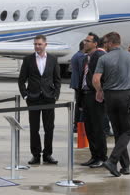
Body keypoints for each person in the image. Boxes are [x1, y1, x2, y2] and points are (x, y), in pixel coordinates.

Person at [93, 32, 130, 177]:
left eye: (105, 43)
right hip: (125, 96)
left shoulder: (104, 58)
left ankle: (125, 166)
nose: (105, 45)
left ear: (110, 42)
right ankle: (112, 160)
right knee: (128, 131)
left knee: (118, 131)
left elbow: (96, 79)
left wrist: (99, 91)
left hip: (110, 96)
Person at [18, 34, 61, 165]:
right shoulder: (28, 60)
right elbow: (21, 80)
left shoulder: (53, 59)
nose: (37, 46)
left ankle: (48, 154)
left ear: (45, 45)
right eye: (35, 44)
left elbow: (57, 80)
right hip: (33, 99)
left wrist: (55, 95)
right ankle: (36, 155)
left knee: (49, 128)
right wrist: (25, 95)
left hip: (48, 98)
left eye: (39, 44)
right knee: (34, 128)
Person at [79, 33, 108, 168]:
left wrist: (100, 91)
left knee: (98, 128)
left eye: (88, 41)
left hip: (95, 95)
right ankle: (94, 155)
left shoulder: (99, 56)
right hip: (86, 95)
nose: (85, 43)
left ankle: (102, 157)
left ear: (95, 43)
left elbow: (103, 76)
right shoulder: (87, 58)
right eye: (85, 41)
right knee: (89, 127)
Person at [69, 40, 85, 131]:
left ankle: (76, 124)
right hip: (78, 83)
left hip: (75, 82)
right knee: (80, 104)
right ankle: (77, 124)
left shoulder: (76, 55)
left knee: (78, 103)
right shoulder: (81, 56)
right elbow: (81, 71)